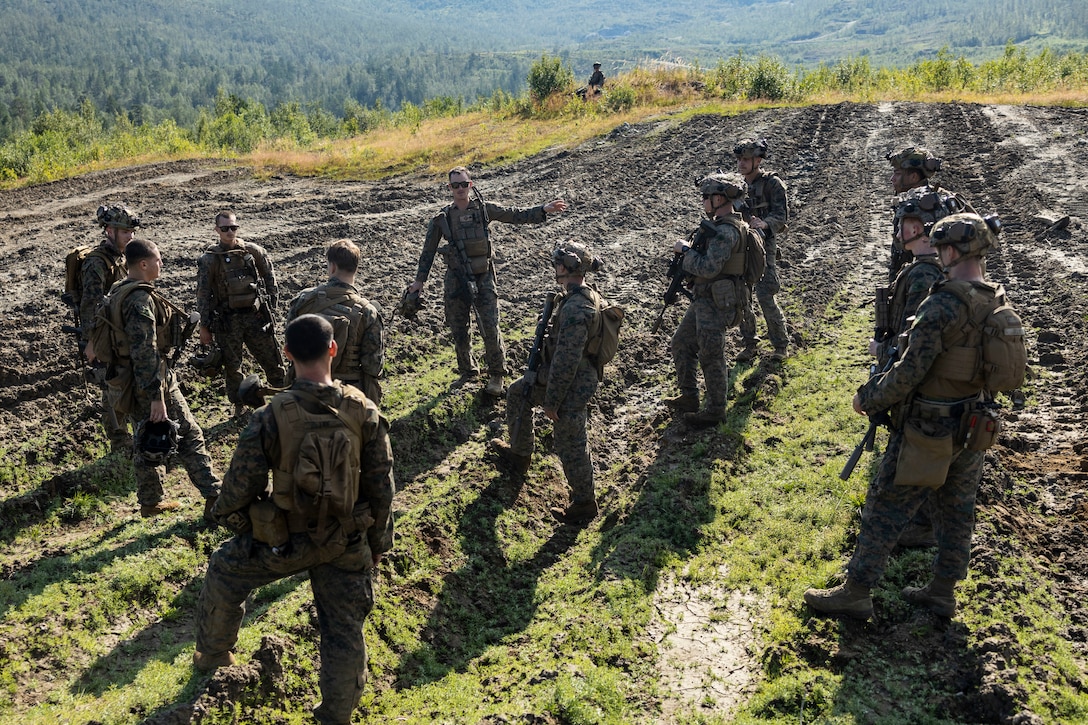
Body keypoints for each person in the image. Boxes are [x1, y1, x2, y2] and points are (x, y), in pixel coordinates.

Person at [804, 212, 1018, 620]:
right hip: (973, 425)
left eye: (941, 247)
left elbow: (909, 370)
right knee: (957, 510)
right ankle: (942, 591)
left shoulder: (942, 304)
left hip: (928, 427)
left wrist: (870, 396)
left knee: (884, 505)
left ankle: (856, 591)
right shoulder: (995, 298)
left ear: (952, 250)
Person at [194, 314, 395, 725]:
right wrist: (376, 546)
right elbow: (382, 488)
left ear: (286, 354)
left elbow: (236, 492)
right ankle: (336, 715)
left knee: (224, 569)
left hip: (283, 543)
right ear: (333, 349)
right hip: (347, 542)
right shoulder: (365, 410)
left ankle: (214, 654)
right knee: (343, 632)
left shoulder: (270, 416)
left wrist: (246, 524)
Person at [86, 239, 222, 518]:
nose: (162, 264)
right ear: (144, 264)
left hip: (127, 381)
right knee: (189, 435)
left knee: (146, 439)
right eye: (158, 260)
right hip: (150, 382)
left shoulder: (119, 289)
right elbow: (144, 352)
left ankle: (150, 502)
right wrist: (156, 397)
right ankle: (215, 497)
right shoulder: (139, 300)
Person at [407, 166, 568, 396]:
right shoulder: (441, 219)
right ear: (449, 188)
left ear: (470, 185)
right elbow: (428, 252)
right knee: (458, 326)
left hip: (483, 277)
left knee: (490, 326)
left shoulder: (484, 210)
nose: (460, 189)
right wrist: (419, 282)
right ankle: (467, 370)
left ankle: (496, 374)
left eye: (464, 184)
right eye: (456, 185)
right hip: (456, 278)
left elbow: (515, 214)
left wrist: (543, 209)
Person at [870, 187, 962, 548]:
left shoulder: (924, 275)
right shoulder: (927, 269)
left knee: (909, 457)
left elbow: (915, 340)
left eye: (906, 222)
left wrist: (883, 351)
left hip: (918, 384)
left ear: (923, 227)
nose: (899, 228)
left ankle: (916, 527)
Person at [490, 242, 603, 525]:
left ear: (565, 267)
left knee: (570, 441)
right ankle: (520, 454)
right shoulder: (575, 296)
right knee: (519, 392)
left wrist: (552, 401)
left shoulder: (577, 307)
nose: (555, 268)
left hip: (571, 383)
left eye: (557, 263)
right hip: (565, 376)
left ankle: (584, 503)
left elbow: (567, 360)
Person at [663, 172, 752, 426]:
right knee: (681, 342)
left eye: (706, 197)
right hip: (706, 299)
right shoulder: (722, 226)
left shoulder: (727, 231)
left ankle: (715, 410)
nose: (703, 201)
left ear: (719, 198)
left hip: (716, 302)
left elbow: (709, 267)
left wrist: (686, 250)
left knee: (711, 355)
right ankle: (689, 396)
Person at [196, 211, 287, 416]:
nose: (230, 232)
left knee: (272, 358)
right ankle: (239, 407)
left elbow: (270, 279)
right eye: (225, 228)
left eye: (233, 227)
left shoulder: (252, 252)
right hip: (228, 321)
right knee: (232, 367)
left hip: (255, 317)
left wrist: (271, 307)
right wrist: (204, 326)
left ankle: (283, 396)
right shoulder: (210, 260)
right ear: (217, 230)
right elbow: (203, 294)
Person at [286, 239, 385, 404]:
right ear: (356, 268)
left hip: (305, 392)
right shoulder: (368, 312)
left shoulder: (303, 300)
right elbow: (373, 366)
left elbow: (290, 345)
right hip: (350, 397)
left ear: (332, 267)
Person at [81, 204, 139, 452]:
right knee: (111, 388)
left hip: (123, 335)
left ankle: (136, 435)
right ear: (109, 231)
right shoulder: (96, 263)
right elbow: (90, 307)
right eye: (126, 231)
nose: (131, 236)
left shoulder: (123, 257)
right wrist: (92, 343)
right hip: (105, 339)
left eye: (132, 231)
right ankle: (118, 442)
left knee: (130, 383)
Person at [734, 138, 790, 363]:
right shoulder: (736, 185)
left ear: (758, 160)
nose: (741, 164)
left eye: (746, 159)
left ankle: (780, 344)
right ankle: (750, 343)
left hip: (764, 244)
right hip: (740, 244)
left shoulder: (772, 184)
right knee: (742, 295)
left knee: (765, 294)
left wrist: (764, 224)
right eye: (739, 159)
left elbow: (781, 216)